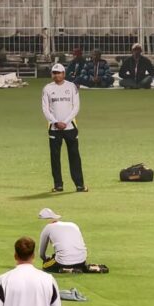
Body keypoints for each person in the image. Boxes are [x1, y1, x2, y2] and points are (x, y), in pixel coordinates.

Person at [42, 63, 86, 193]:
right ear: (52, 74)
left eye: (59, 73)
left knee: (74, 156)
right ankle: (58, 185)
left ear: (64, 74)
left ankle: (79, 185)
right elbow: (45, 109)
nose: (57, 75)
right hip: (54, 128)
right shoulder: (47, 88)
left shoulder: (71, 87)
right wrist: (55, 122)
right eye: (54, 73)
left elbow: (76, 107)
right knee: (55, 158)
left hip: (70, 127)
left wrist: (65, 122)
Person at [37, 208, 92, 274]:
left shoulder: (48, 227)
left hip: (63, 263)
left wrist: (46, 258)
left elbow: (41, 254)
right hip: (82, 261)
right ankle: (84, 267)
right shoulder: (73, 224)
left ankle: (66, 269)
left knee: (45, 265)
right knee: (57, 256)